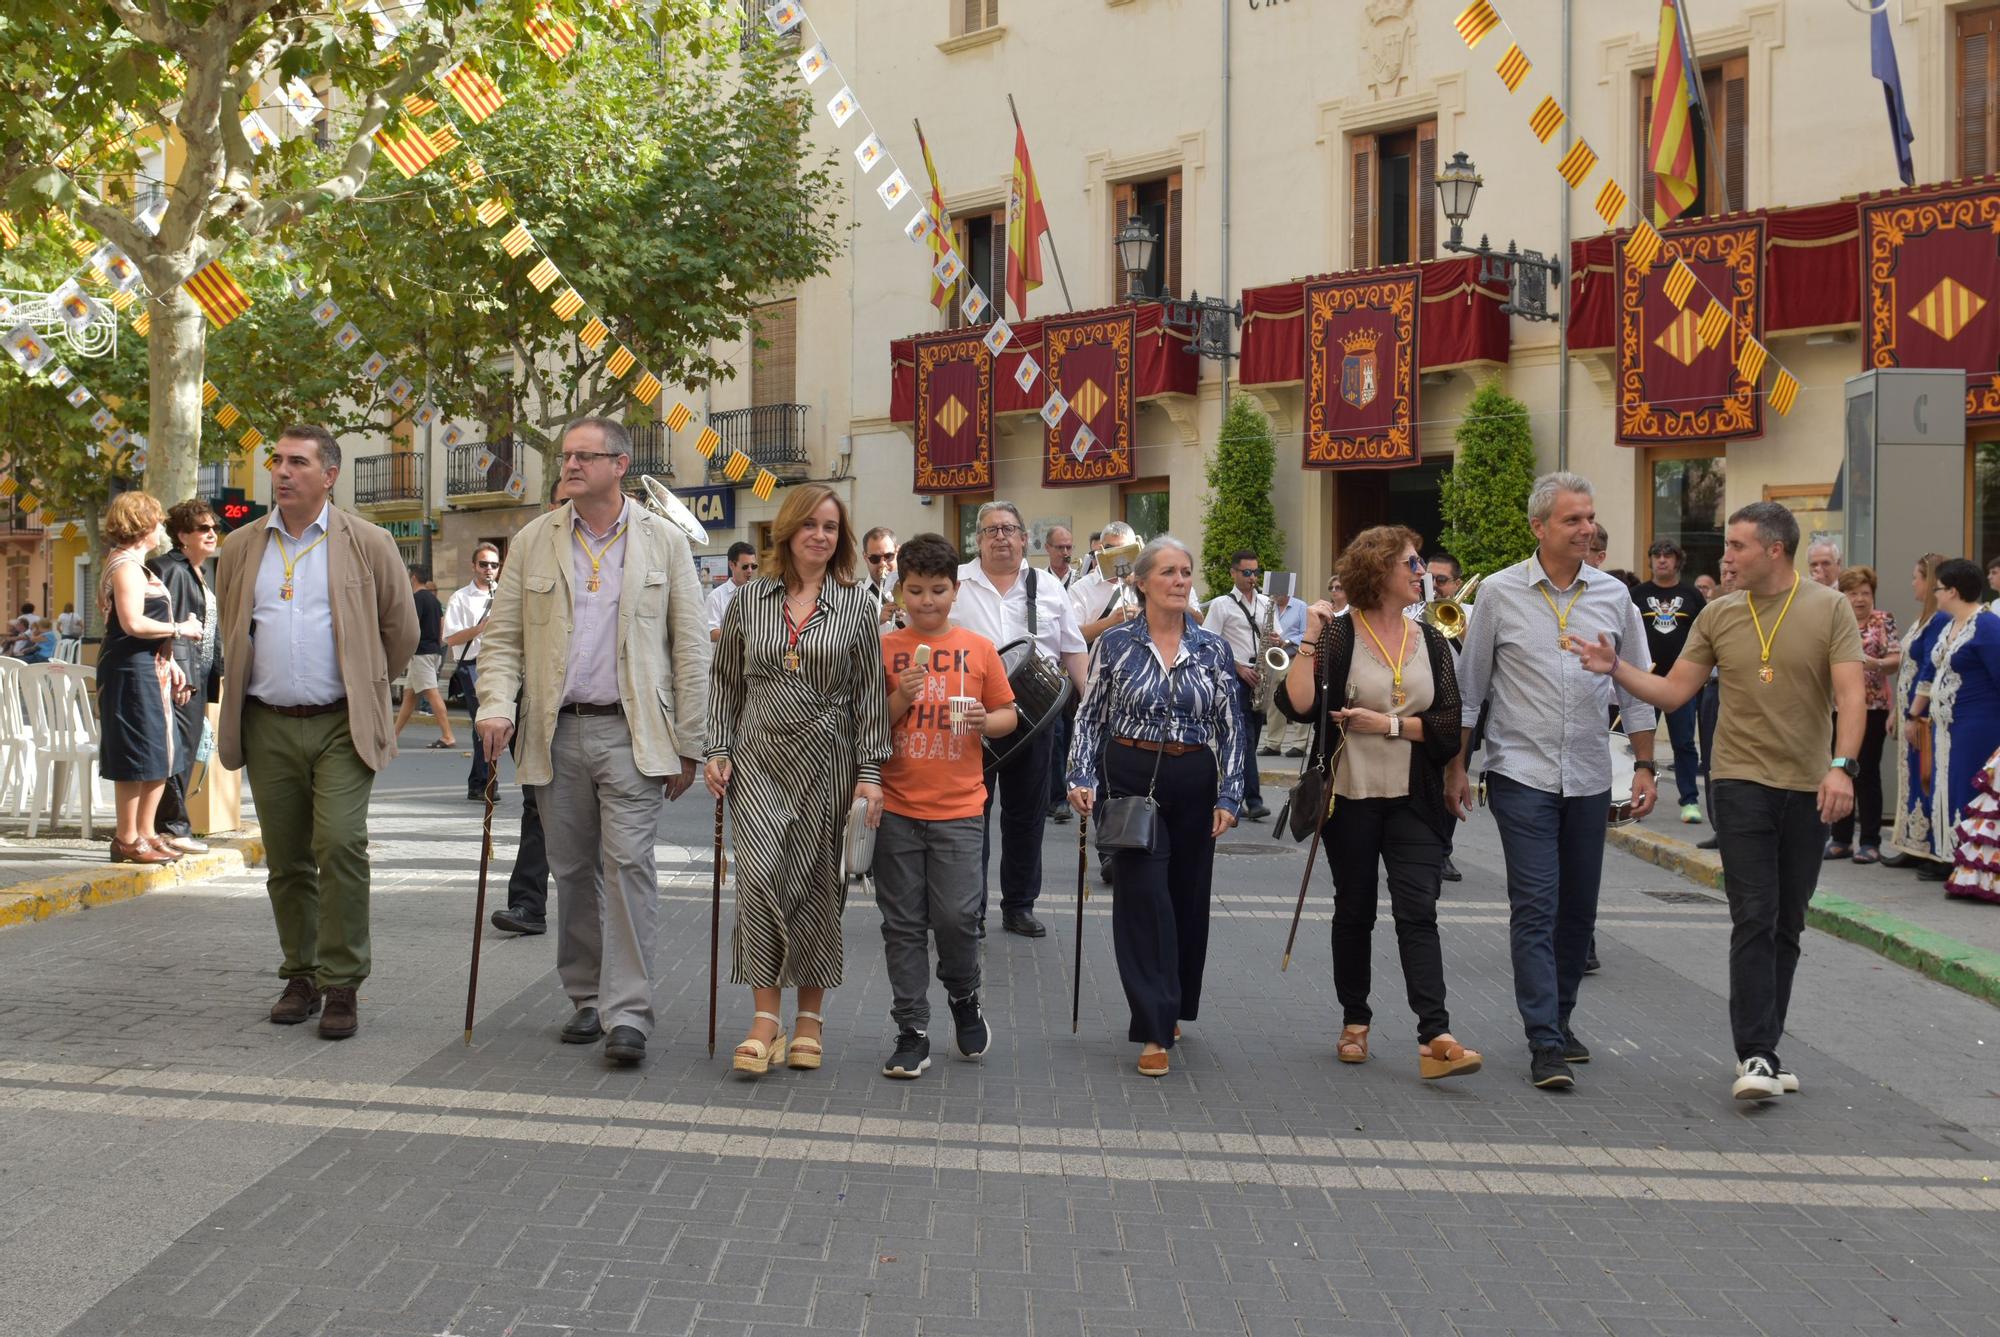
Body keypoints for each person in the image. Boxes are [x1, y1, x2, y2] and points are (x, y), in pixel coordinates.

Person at [1575, 501, 1863, 1102]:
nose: (1725, 556)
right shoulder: (1718, 615)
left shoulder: (1829, 607)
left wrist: (1842, 768)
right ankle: (1754, 1053)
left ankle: (1768, 1046)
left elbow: (1851, 696)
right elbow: (1674, 692)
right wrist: (1616, 669)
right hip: (1737, 782)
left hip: (1809, 785)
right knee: (1754, 914)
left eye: (1737, 546)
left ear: (1774, 551)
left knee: (1788, 921)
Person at [476, 417, 709, 1066]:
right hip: (556, 733)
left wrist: (692, 742)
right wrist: (495, 705)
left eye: (585, 455)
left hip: (632, 733)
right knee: (572, 871)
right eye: (566, 456)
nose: (570, 464)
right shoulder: (532, 541)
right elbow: (503, 640)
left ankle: (628, 1011)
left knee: (629, 865)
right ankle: (586, 995)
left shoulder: (663, 543)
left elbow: (689, 648)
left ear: (620, 464)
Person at [1448, 472, 1659, 1092]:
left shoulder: (1613, 597)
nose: (1586, 528)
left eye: (1589, 518)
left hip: (1591, 775)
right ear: (1540, 527)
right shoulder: (1499, 593)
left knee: (1577, 912)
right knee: (1536, 905)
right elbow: (1471, 689)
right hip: (1521, 773)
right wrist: (1456, 766)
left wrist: (1645, 766)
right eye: (1572, 520)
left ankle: (1561, 1020)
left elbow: (1638, 686)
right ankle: (1543, 1038)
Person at [216, 424, 419, 1040]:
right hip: (267, 722)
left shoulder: (369, 541)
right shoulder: (241, 546)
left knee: (339, 844)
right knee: (287, 860)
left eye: (297, 462)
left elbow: (401, 630)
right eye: (276, 460)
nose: (282, 471)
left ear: (328, 475)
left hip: (341, 722)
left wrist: (364, 678)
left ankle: (342, 984)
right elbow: (232, 625)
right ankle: (300, 975)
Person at [1278, 526, 1480, 1082]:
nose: (1423, 573)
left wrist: (1387, 723)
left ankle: (1434, 1033)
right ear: (1381, 571)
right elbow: (1297, 706)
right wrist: (1309, 638)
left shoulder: (1433, 639)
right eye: (1413, 564)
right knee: (1356, 909)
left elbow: (1447, 725)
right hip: (1351, 795)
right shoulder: (1341, 637)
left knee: (1419, 910)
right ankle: (1355, 1020)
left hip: (1415, 799)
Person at [706, 483, 891, 1075]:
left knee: (816, 885)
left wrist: (869, 773)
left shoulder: (858, 603)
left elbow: (868, 696)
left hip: (828, 756)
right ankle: (765, 1017)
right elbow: (725, 681)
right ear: (786, 531)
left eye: (831, 527)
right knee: (759, 879)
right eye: (809, 524)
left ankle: (808, 1017)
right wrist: (716, 746)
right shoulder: (747, 600)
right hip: (759, 755)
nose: (820, 535)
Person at [1067, 536, 1241, 1077]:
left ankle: (1176, 1002)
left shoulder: (1213, 648)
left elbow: (1232, 727)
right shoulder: (1116, 644)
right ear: (1141, 582)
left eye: (1186, 571)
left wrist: (1231, 793)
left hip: (1194, 780)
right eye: (1168, 572)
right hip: (1131, 779)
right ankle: (1152, 1024)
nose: (1180, 581)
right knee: (1144, 899)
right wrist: (1079, 773)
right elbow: (1091, 716)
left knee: (1187, 900)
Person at [875, 533, 1018, 1078]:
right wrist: (902, 696)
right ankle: (911, 1029)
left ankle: (964, 994)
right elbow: (869, 728)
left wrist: (987, 721)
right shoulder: (885, 649)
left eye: (938, 589)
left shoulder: (978, 649)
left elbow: (1008, 715)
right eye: (915, 590)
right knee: (903, 924)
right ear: (900, 591)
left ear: (955, 591)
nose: (927, 601)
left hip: (961, 806)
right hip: (897, 807)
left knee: (959, 918)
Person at [951, 500, 1087, 938]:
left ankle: (1019, 906)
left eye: (1008, 529)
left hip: (1037, 718)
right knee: (973, 817)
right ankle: (972, 909)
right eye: (990, 530)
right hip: (973, 717)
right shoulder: (957, 584)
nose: (1000, 537)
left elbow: (1072, 648)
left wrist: (1089, 702)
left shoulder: (1048, 586)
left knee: (1027, 817)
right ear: (978, 539)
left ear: (1024, 538)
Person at [97, 492, 202, 865]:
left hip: (150, 667)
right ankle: (126, 838)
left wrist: (169, 660)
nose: (162, 528)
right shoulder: (124, 566)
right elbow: (132, 622)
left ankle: (146, 833)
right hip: (130, 670)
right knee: (135, 753)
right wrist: (180, 629)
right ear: (142, 526)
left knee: (160, 751)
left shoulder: (138, 566)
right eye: (157, 520)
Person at [1904, 559, 2000, 883]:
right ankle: (1948, 857)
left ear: (1953, 591)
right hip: (1946, 727)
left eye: (1939, 588)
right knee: (1944, 787)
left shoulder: (1987, 626)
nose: (1936, 593)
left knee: (1964, 790)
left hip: (1977, 726)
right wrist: (1915, 712)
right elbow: (1933, 673)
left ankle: (1970, 867)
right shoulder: (1949, 625)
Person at [151, 499, 224, 855]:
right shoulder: (170, 568)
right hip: (181, 677)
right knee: (176, 750)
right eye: (203, 529)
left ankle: (170, 826)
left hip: (197, 673)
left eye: (214, 528)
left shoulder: (197, 572)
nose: (212, 534)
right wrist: (180, 676)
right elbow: (168, 627)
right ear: (182, 535)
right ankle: (172, 827)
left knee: (188, 748)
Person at [1632, 539, 1708, 824]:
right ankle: (1635, 798)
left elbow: (1705, 636)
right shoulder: (1637, 594)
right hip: (1644, 680)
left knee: (1684, 743)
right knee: (1639, 741)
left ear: (1678, 561)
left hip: (1682, 683)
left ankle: (1689, 800)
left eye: (1668, 555)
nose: (1662, 560)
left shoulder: (1692, 595)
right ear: (1650, 560)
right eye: (1656, 555)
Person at [1828, 567, 1898, 864]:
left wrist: (1875, 664)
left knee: (1866, 772)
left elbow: (1896, 659)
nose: (1859, 599)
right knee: (1836, 768)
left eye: (1865, 593)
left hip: (1873, 708)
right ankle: (1840, 838)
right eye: (1853, 593)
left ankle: (1870, 841)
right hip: (1835, 707)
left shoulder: (1883, 620)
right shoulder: (1833, 620)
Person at [1200, 550, 1274, 821]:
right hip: (1235, 678)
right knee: (1244, 738)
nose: (1252, 577)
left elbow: (1276, 636)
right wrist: (1237, 667)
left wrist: (1276, 642)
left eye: (1255, 572)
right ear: (1233, 573)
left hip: (1260, 676)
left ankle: (1233, 791)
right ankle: (1254, 800)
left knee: (1248, 741)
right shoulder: (1222, 605)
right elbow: (1208, 644)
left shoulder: (1267, 604)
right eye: (1246, 572)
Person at [1889, 554, 1950, 871]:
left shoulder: (1939, 619)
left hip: (1922, 713)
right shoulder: (1923, 618)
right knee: (1911, 776)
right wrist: (1894, 711)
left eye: (1916, 576)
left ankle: (1928, 845)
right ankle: (1912, 842)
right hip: (1907, 708)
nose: (1912, 582)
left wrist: (1915, 713)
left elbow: (1928, 667)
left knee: (1925, 776)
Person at [443, 543, 499, 800]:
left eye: (494, 565)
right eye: (484, 564)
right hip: (473, 666)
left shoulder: (504, 594)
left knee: (498, 726)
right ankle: (481, 785)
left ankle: (485, 783)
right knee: (484, 725)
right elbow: (450, 638)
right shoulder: (460, 598)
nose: (489, 569)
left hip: (500, 665)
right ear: (473, 566)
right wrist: (479, 629)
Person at [394, 565, 457, 749]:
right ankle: (393, 735)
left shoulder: (416, 599)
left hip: (421, 652)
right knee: (409, 696)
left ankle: (448, 735)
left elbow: (410, 627)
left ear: (413, 578)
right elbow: (441, 625)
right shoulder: (434, 600)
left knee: (431, 692)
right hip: (432, 650)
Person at [1068, 520, 1142, 645]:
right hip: (1097, 663)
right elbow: (1072, 636)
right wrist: (1110, 621)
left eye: (1123, 549)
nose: (1116, 554)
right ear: (1100, 548)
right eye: (1109, 548)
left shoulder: (1145, 585)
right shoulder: (1080, 589)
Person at [1262, 577, 1310, 757]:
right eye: (1273, 593)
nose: (1274, 596)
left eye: (1278, 593)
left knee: (1295, 698)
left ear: (1288, 591)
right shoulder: (1268, 606)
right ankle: (1273, 743)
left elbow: (1307, 632)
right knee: (1274, 700)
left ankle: (1299, 744)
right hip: (1273, 658)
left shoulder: (1301, 607)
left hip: (1294, 656)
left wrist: (1287, 641)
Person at [706, 541, 758, 642]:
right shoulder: (716, 596)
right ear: (731, 565)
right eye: (745, 566)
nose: (750, 570)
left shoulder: (758, 594)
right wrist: (744, 637)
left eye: (753, 566)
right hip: (728, 656)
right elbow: (711, 632)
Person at [863, 526, 899, 623]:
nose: (883, 563)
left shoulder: (913, 590)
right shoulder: (855, 596)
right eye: (875, 558)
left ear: (897, 552)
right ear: (865, 558)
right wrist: (875, 622)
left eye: (889, 556)